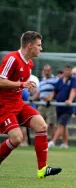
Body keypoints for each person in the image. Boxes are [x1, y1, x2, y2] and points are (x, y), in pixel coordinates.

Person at [0, 32, 62, 178]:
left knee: (42, 126)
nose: (41, 48)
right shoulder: (11, 59)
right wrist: (21, 84)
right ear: (30, 45)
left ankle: (42, 169)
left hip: (19, 104)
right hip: (5, 106)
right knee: (16, 139)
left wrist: (25, 87)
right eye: (39, 45)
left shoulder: (29, 64)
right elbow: (1, 81)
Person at [48, 64, 76, 149]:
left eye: (69, 70)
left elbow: (73, 90)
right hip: (59, 107)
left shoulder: (73, 80)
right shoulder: (60, 80)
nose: (67, 72)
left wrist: (70, 100)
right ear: (64, 70)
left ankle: (53, 142)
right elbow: (55, 91)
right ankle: (65, 144)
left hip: (68, 108)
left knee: (61, 124)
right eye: (66, 70)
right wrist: (50, 98)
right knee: (64, 126)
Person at [33, 64, 59, 138]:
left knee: (51, 124)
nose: (46, 72)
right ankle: (40, 140)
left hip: (51, 104)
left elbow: (57, 91)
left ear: (51, 71)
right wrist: (31, 98)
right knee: (39, 123)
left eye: (48, 70)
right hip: (42, 104)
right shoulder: (42, 81)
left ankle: (52, 142)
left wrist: (49, 97)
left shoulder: (56, 79)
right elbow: (38, 93)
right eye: (45, 70)